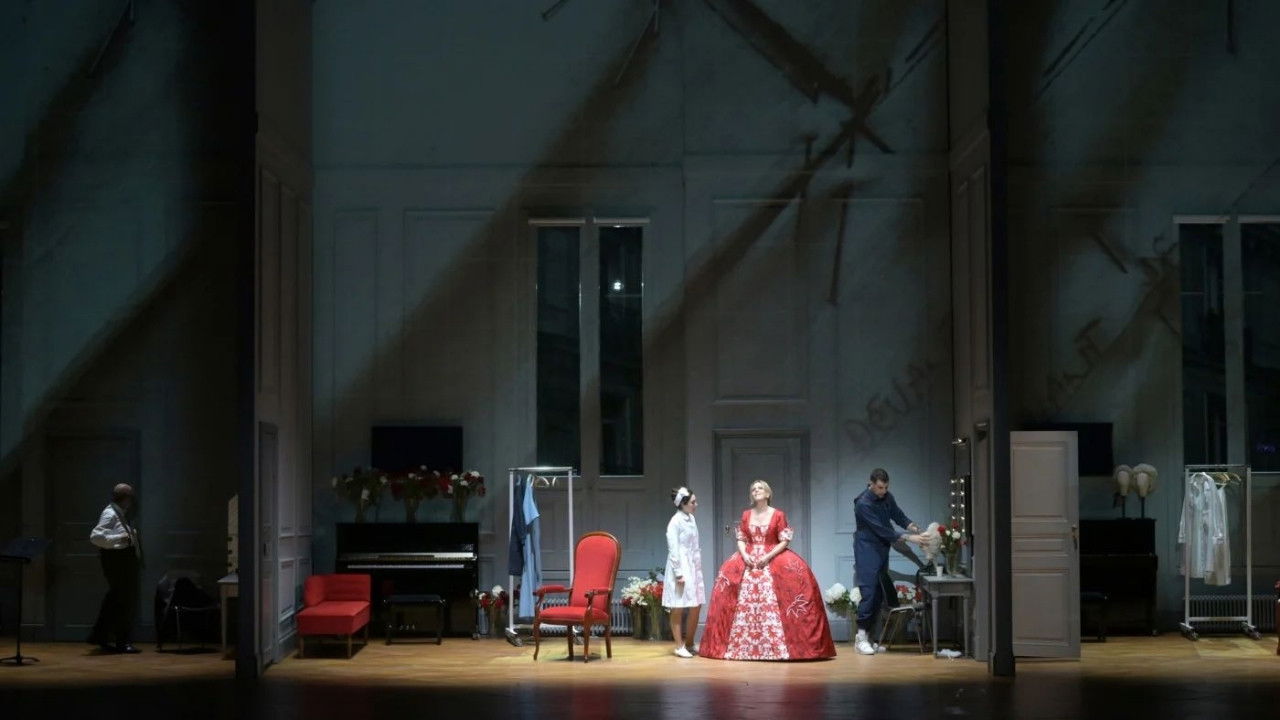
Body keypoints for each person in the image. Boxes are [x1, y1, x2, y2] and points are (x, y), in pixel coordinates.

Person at [699, 480, 836, 660]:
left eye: (760, 488)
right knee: (728, 587)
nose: (756, 491)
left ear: (768, 493)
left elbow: (784, 540)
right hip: (747, 558)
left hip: (773, 556)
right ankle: (741, 648)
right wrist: (744, 554)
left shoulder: (778, 514)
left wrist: (767, 556)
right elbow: (741, 537)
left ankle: (780, 648)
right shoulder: (746, 515)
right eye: (753, 489)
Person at [853, 468, 928, 655]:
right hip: (867, 551)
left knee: (878, 594)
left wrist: (914, 528)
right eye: (879, 487)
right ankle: (860, 637)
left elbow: (898, 515)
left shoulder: (887, 497)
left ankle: (869, 638)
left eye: (885, 487)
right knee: (869, 592)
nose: (883, 491)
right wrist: (910, 538)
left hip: (881, 550)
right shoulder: (863, 504)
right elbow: (882, 530)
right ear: (870, 483)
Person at [88, 483, 142, 653]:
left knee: (115, 601)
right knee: (123, 603)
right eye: (130, 497)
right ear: (125, 498)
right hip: (117, 562)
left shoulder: (118, 513)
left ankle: (100, 636)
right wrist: (121, 537)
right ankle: (121, 642)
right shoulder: (110, 513)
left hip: (121, 562)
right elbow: (96, 537)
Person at [662, 486, 705, 658]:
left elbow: (694, 545)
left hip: (693, 565)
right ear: (684, 504)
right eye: (693, 502)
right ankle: (679, 645)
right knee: (678, 606)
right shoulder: (675, 522)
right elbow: (673, 549)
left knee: (696, 604)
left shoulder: (691, 519)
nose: (696, 504)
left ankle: (689, 642)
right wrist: (679, 573)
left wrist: (697, 566)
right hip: (679, 566)